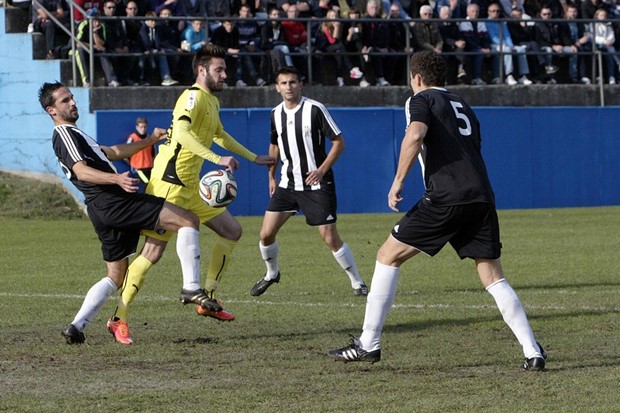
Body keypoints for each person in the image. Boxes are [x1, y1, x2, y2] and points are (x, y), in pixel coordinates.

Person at [328, 51, 547, 372]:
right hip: (482, 196)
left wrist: (397, 181)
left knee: (387, 255)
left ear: (416, 78)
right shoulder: (464, 106)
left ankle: (368, 344)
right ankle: (532, 350)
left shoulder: (421, 99)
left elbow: (415, 135)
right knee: (493, 275)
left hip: (447, 196)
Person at [108, 45, 275, 344]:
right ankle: (119, 318)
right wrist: (217, 159)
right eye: (219, 70)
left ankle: (206, 297)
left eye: (225, 69)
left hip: (190, 187)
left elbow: (219, 134)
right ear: (202, 70)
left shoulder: (211, 101)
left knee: (232, 231)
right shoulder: (192, 97)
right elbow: (183, 135)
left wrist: (253, 157)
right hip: (169, 184)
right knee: (153, 252)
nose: (225, 74)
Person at [38, 81, 216, 344]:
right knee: (188, 219)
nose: (73, 102)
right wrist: (117, 180)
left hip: (102, 210)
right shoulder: (65, 134)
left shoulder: (77, 134)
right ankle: (191, 287)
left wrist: (151, 140)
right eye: (65, 100)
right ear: (52, 110)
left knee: (116, 276)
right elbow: (81, 171)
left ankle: (77, 326)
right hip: (113, 202)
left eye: (72, 97)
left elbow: (113, 152)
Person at [249, 66, 368, 298]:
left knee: (329, 237)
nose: (288, 87)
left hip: (317, 184)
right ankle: (272, 273)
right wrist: (271, 176)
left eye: (293, 82)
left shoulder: (315, 109)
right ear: (277, 87)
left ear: (300, 84)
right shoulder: (275, 113)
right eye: (283, 83)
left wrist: (322, 170)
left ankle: (357, 281)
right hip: (287, 184)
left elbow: (339, 142)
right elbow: (275, 146)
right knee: (265, 234)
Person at [486, 2, 533, 85]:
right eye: (493, 11)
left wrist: (511, 45)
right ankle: (509, 75)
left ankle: (523, 75)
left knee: (521, 49)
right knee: (507, 49)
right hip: (493, 45)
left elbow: (507, 35)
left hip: (505, 44)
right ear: (488, 12)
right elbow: (492, 37)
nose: (495, 13)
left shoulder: (502, 22)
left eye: (497, 11)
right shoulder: (486, 23)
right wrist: (506, 45)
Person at [314, 9, 364, 86]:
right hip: (325, 47)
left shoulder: (340, 25)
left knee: (339, 53)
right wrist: (336, 28)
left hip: (335, 47)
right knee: (340, 47)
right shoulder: (325, 27)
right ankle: (351, 69)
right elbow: (332, 41)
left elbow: (340, 40)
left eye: (336, 16)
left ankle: (339, 78)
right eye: (332, 16)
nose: (334, 18)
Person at [75, 8, 121, 87]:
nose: (97, 23)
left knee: (104, 52)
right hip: (82, 50)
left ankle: (112, 80)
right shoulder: (83, 24)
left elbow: (101, 46)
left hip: (95, 49)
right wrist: (93, 46)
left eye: (98, 20)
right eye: (95, 21)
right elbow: (78, 44)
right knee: (80, 50)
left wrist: (94, 33)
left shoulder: (102, 25)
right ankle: (87, 81)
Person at [138, 11, 180, 86]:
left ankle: (172, 75)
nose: (154, 22)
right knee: (161, 55)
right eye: (152, 20)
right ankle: (165, 77)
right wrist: (155, 50)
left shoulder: (157, 28)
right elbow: (145, 43)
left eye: (155, 20)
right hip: (145, 50)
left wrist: (173, 49)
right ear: (147, 20)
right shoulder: (143, 29)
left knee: (172, 53)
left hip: (156, 49)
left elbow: (159, 42)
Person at [459, 2, 492, 85]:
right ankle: (476, 78)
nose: (475, 13)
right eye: (473, 11)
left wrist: (487, 47)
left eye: (477, 11)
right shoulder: (463, 23)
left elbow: (485, 38)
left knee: (495, 52)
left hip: (479, 47)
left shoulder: (481, 22)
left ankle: (497, 77)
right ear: (468, 12)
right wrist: (481, 49)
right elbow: (469, 40)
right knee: (479, 53)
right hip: (469, 48)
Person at [564, 3, 592, 85]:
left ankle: (589, 75)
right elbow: (564, 37)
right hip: (569, 44)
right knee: (576, 51)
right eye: (571, 11)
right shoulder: (563, 23)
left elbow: (583, 34)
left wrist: (585, 38)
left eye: (574, 11)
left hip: (580, 43)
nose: (573, 14)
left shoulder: (579, 23)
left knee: (590, 49)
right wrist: (576, 43)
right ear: (567, 13)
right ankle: (574, 77)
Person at [592, 7, 620, 84]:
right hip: (598, 45)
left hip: (608, 46)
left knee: (610, 56)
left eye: (604, 16)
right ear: (597, 16)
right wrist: (605, 41)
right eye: (601, 15)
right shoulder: (594, 24)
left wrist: (610, 41)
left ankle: (612, 76)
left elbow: (611, 35)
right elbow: (594, 37)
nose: (603, 17)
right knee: (610, 52)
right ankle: (618, 63)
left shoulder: (608, 25)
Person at [125, 116, 155, 183]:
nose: (143, 129)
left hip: (149, 167)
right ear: (137, 127)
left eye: (144, 127)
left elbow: (153, 153)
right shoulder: (133, 138)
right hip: (138, 168)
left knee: (152, 184)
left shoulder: (149, 139)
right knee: (147, 183)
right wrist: (131, 164)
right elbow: (125, 155)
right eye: (141, 127)